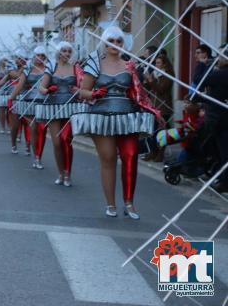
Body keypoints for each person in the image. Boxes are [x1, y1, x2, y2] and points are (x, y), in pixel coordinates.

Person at [71, 26, 161, 219]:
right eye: (111, 41)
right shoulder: (94, 64)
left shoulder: (130, 66)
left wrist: (148, 101)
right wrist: (94, 93)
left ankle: (129, 203)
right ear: (104, 42)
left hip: (127, 117)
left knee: (130, 155)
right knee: (108, 158)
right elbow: (82, 92)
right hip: (101, 116)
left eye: (119, 41)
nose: (115, 45)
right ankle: (110, 204)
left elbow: (139, 93)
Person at [36, 42, 87, 186]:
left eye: (69, 51)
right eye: (64, 50)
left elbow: (84, 87)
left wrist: (77, 89)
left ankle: (68, 174)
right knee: (57, 142)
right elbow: (41, 87)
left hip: (71, 107)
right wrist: (46, 90)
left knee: (66, 140)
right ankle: (60, 172)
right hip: (53, 107)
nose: (67, 53)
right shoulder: (51, 66)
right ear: (58, 52)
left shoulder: (76, 68)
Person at [9, 47, 49, 169]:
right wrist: (12, 98)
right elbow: (20, 85)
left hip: (45, 102)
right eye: (38, 55)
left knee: (42, 130)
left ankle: (38, 156)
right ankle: (36, 156)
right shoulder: (27, 69)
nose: (40, 58)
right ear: (34, 56)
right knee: (33, 128)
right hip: (30, 102)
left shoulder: (49, 69)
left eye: (42, 55)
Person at [200, 44, 228, 193]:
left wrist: (205, 67)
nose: (217, 58)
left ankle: (224, 182)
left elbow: (201, 80)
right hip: (220, 118)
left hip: (220, 120)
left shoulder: (220, 74)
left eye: (221, 56)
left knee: (223, 152)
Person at [143, 54, 175, 161]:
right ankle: (153, 151)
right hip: (154, 105)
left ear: (164, 64)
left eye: (158, 63)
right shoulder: (154, 73)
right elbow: (149, 88)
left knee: (161, 131)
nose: (156, 65)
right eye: (155, 63)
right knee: (152, 130)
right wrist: (146, 80)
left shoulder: (168, 75)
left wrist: (151, 81)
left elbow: (161, 89)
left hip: (163, 106)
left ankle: (161, 152)